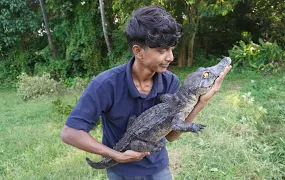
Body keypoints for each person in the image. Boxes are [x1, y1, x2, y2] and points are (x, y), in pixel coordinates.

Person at [60, 5, 232, 180]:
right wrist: (116, 155)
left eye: (172, 48)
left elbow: (172, 135)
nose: (171, 57)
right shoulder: (105, 84)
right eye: (162, 50)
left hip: (159, 169)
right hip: (121, 172)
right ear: (138, 51)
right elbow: (70, 133)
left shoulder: (170, 81)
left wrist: (201, 102)